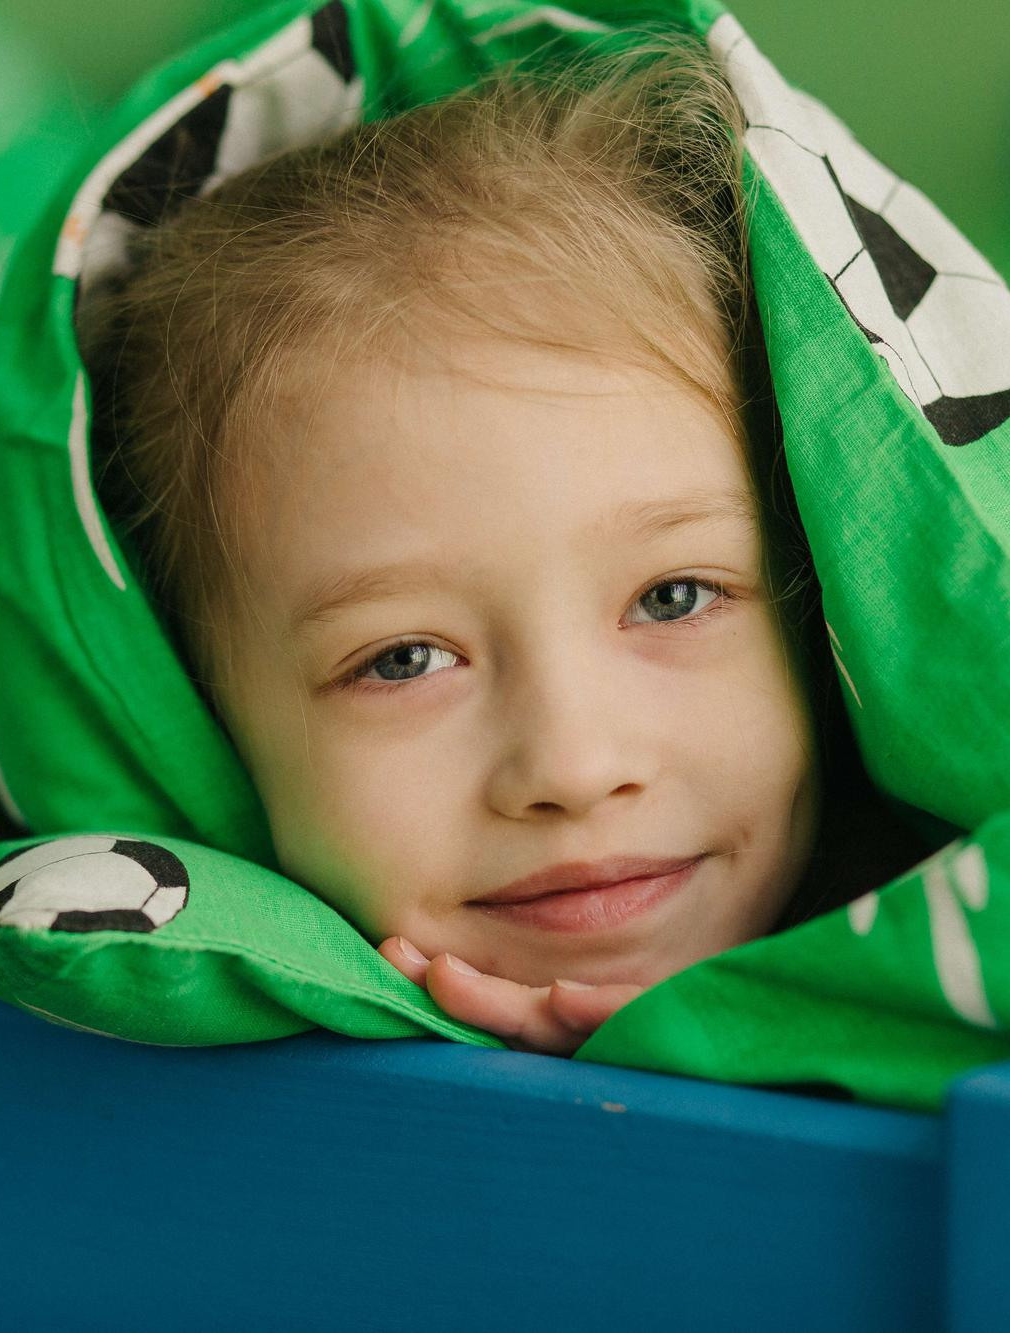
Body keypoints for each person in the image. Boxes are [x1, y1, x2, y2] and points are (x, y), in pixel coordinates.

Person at [80, 36, 924, 1055]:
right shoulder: (72, 1079)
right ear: (197, 724)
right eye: (403, 658)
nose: (572, 765)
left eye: (672, 596)